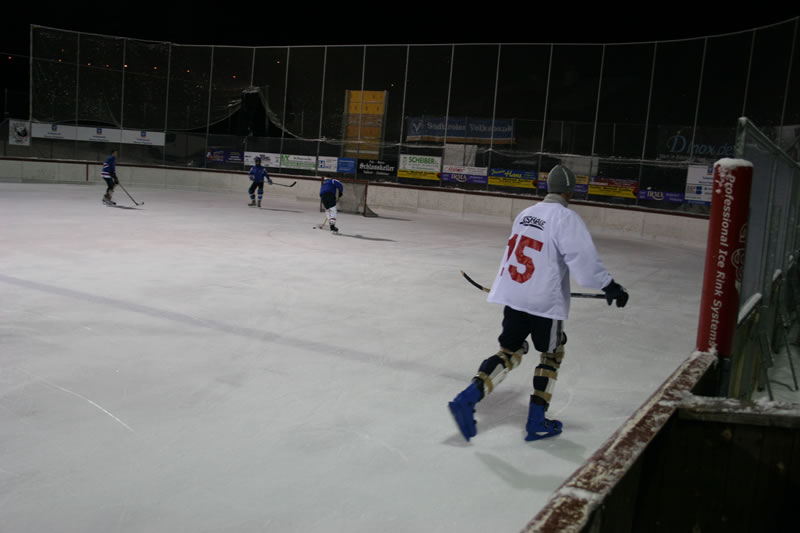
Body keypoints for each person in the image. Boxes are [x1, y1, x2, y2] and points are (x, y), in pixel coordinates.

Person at [448, 164, 629, 442]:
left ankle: (467, 397)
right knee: (552, 353)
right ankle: (536, 421)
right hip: (544, 300)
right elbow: (583, 260)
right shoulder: (566, 218)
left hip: (514, 293)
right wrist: (609, 285)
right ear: (570, 190)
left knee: (509, 350)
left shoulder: (526, 213)